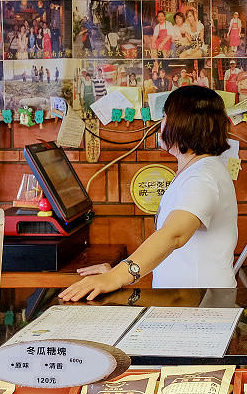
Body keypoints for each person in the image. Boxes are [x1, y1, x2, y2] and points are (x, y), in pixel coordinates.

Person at [61, 86, 237, 293]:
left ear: (184, 123)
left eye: (165, 116)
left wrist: (115, 277)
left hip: (201, 307)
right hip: (189, 302)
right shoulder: (197, 171)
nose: (160, 125)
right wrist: (117, 272)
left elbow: (174, 235)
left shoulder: (202, 177)